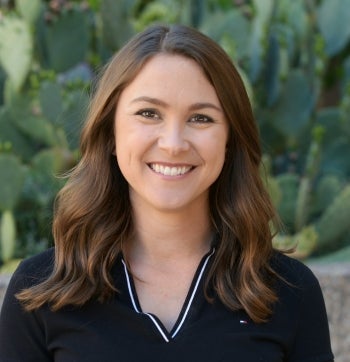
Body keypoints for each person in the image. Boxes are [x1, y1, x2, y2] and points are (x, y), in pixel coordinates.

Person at [0, 24, 333, 362]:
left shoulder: (290, 291)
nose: (173, 144)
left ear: (230, 139)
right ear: (111, 132)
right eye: (149, 114)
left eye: (201, 118)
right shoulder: (39, 289)